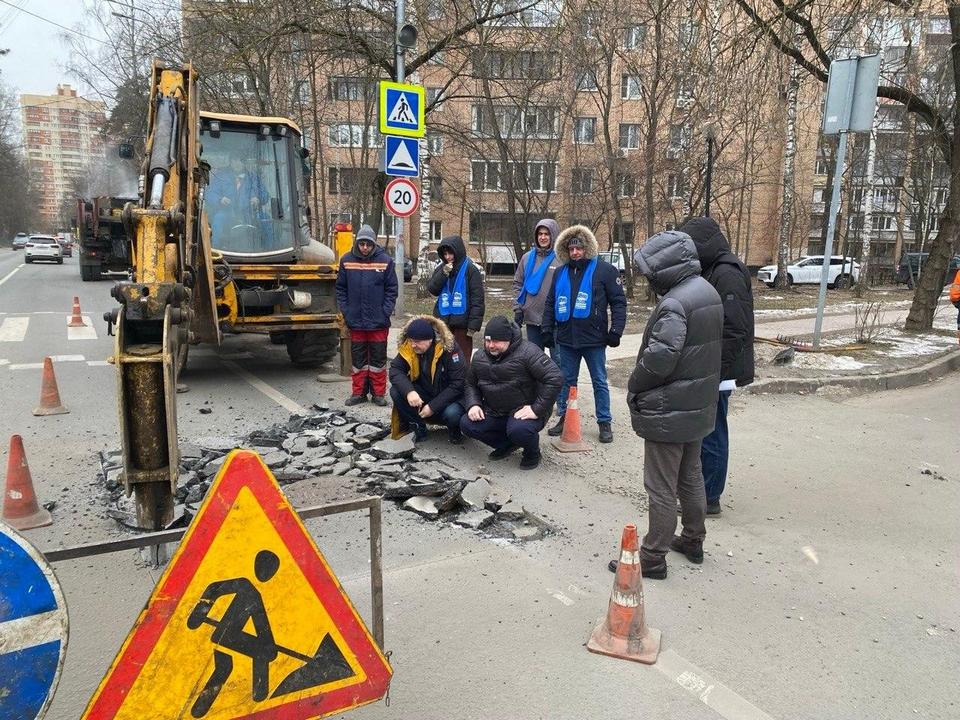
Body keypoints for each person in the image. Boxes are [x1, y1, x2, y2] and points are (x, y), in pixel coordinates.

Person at [618, 230, 722, 580]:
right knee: (690, 476)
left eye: (650, 270)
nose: (647, 278)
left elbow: (659, 359)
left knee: (660, 485)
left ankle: (652, 555)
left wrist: (635, 383)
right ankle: (693, 539)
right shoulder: (706, 291)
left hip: (670, 407)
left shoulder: (676, 303)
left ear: (665, 266)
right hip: (697, 403)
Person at [679, 217, 755, 516]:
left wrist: (715, 371)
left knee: (712, 432)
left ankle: (709, 497)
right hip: (708, 366)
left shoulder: (727, 273)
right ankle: (700, 491)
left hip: (717, 371)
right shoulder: (713, 269)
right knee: (703, 431)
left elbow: (734, 329)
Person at [540, 225, 627, 444]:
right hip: (567, 339)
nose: (575, 253)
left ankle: (604, 421)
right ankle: (565, 418)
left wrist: (616, 331)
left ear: (587, 248)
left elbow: (618, 303)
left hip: (594, 339)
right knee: (567, 382)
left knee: (599, 380)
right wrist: (547, 329)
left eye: (579, 248)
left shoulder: (605, 271)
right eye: (571, 249)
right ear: (566, 251)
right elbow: (550, 303)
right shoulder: (560, 272)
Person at [460, 316, 563, 470]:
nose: (491, 346)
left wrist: (537, 409)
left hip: (524, 410)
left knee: (519, 430)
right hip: (495, 410)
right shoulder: (479, 356)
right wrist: (473, 404)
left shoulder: (529, 352)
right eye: (487, 341)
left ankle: (532, 453)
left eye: (496, 341)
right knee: (467, 424)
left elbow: (555, 378)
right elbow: (470, 383)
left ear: (509, 339)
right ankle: (507, 444)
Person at [335, 225, 398, 407]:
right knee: (358, 361)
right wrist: (347, 311)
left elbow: (392, 290)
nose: (364, 247)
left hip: (378, 322)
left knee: (378, 360)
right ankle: (359, 393)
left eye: (368, 244)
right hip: (356, 321)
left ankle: (378, 394)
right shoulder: (346, 260)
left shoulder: (385, 261)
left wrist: (385, 311)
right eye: (361, 244)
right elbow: (341, 288)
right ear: (357, 243)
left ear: (373, 244)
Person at [389, 316, 466, 444]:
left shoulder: (450, 349)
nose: (413, 345)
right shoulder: (410, 347)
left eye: (417, 342)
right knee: (396, 391)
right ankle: (418, 428)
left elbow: (458, 384)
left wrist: (432, 406)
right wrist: (410, 392)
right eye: (411, 341)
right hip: (426, 392)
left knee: (452, 414)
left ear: (430, 339)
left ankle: (455, 431)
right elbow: (395, 370)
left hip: (449, 398)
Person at [427, 235, 485, 367]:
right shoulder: (441, 268)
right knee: (442, 359)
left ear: (458, 251)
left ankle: (463, 386)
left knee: (461, 360)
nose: (448, 257)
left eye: (450, 253)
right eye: (445, 254)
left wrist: (473, 325)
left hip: (463, 325)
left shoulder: (471, 269)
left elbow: (478, 299)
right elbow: (432, 289)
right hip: (443, 322)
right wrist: (443, 273)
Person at [513, 219, 561, 351]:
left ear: (554, 235)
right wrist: (518, 308)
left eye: (547, 234)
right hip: (532, 318)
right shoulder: (527, 258)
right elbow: (518, 284)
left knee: (558, 362)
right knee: (536, 362)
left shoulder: (561, 259)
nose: (543, 237)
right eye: (540, 234)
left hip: (555, 321)